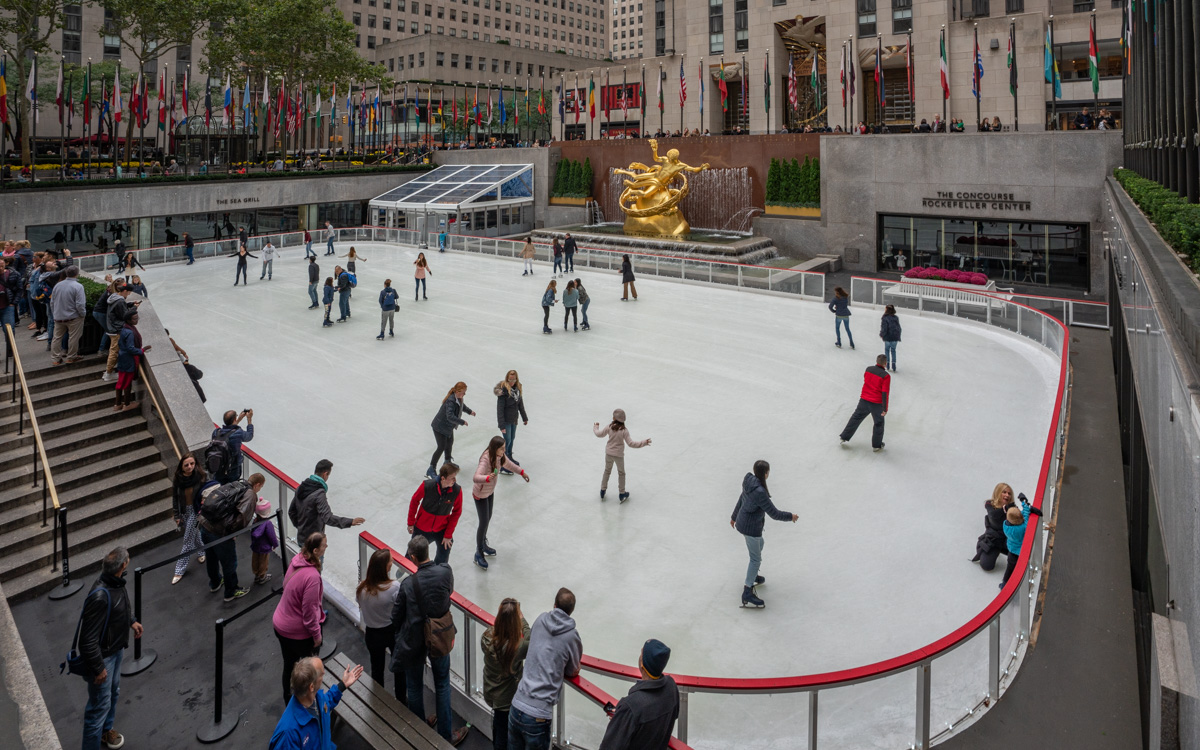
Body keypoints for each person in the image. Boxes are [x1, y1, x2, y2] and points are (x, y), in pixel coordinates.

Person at [389, 535, 470, 745]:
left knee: (414, 686)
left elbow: (395, 617)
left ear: (414, 558)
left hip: (415, 641)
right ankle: (445, 735)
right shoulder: (445, 572)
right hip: (440, 636)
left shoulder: (407, 585)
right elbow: (449, 592)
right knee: (442, 684)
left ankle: (420, 732)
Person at [78, 548, 143, 750]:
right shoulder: (100, 596)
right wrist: (98, 668)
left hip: (115, 650)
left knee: (112, 693)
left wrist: (131, 621)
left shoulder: (115, 582)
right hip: (103, 658)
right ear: (123, 565)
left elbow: (119, 607)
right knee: (98, 708)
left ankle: (106, 731)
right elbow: (87, 640)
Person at [509, 588, 583, 750]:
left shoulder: (541, 619)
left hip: (517, 704)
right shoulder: (571, 636)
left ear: (554, 605)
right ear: (571, 611)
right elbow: (572, 670)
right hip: (538, 716)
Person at [730, 460, 797, 608]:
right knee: (755, 559)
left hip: (744, 523)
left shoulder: (749, 481)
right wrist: (791, 516)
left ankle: (752, 575)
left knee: (760, 545)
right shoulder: (760, 492)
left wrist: (734, 516)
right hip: (751, 528)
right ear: (765, 474)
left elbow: (741, 498)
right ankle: (747, 591)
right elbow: (774, 513)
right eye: (768, 471)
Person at [272, 533, 329, 704]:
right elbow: (309, 612)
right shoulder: (312, 577)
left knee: (289, 664)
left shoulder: (297, 560)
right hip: (298, 633)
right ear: (316, 550)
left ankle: (288, 699)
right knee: (311, 671)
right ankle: (310, 703)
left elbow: (285, 584)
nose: (327, 547)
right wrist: (317, 636)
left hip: (280, 624)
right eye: (325, 545)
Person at [598, 639, 679, 750]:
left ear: (642, 664)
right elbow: (667, 718)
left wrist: (621, 722)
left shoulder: (631, 706)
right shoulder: (671, 686)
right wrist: (623, 722)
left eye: (641, 653)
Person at [269, 657, 363, 750]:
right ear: (311, 687)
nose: (324, 673)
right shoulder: (288, 735)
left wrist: (342, 685)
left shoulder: (316, 698)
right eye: (321, 674)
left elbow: (326, 703)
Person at [199, 473, 263, 602]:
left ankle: (215, 583)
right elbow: (242, 519)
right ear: (257, 485)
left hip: (205, 524)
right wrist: (232, 534)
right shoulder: (250, 495)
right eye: (260, 487)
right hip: (219, 533)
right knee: (229, 563)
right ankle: (231, 591)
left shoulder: (236, 483)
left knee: (211, 557)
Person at [472, 436, 530, 570]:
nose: (504, 451)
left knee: (488, 518)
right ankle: (478, 552)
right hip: (480, 494)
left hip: (489, 492)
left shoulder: (500, 456)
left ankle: (483, 544)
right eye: (502, 448)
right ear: (495, 448)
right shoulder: (486, 459)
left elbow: (509, 464)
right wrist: (486, 478)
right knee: (483, 522)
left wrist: (522, 472)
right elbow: (475, 477)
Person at [482, 598, 531, 750]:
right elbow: (531, 640)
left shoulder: (487, 637)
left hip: (492, 692)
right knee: (507, 735)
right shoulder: (518, 647)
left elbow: (498, 633)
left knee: (499, 729)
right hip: (508, 699)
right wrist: (522, 621)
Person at [356, 549, 403, 700]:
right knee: (399, 668)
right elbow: (399, 608)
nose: (392, 562)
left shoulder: (362, 589)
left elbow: (361, 606)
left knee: (377, 668)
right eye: (390, 561)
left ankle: (379, 700)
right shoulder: (394, 587)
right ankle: (401, 699)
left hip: (372, 633)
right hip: (391, 632)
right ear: (384, 567)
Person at [289, 459, 365, 549]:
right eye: (328, 475)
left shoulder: (301, 487)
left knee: (304, 562)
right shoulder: (319, 493)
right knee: (315, 563)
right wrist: (350, 522)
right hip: (314, 542)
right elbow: (328, 517)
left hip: (302, 538)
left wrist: (301, 527)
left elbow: (292, 512)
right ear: (325, 474)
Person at [408, 462, 465, 565]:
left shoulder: (457, 491)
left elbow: (457, 512)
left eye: (455, 477)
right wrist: (411, 522)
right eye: (452, 478)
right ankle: (405, 568)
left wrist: (448, 535)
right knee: (413, 553)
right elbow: (414, 501)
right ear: (443, 478)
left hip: (442, 530)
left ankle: (437, 573)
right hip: (422, 528)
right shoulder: (427, 485)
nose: (455, 480)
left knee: (444, 554)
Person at [593, 409, 651, 503]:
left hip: (608, 454)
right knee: (621, 473)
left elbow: (599, 434)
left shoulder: (609, 427)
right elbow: (631, 443)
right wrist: (643, 443)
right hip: (618, 456)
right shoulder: (624, 431)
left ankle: (602, 490)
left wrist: (596, 427)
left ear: (614, 418)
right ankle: (622, 493)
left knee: (607, 471)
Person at [170, 453, 211, 585]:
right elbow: (175, 498)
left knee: (187, 540)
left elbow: (207, 491)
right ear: (181, 466)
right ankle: (201, 551)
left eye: (192, 464)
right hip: (184, 511)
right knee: (194, 533)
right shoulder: (178, 479)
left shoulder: (201, 476)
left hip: (196, 511)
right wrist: (177, 515)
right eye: (186, 465)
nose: (190, 467)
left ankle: (179, 570)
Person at [839, 354, 892, 452]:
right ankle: (876, 445)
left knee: (856, 417)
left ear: (876, 361)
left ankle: (844, 436)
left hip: (864, 400)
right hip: (876, 403)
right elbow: (885, 393)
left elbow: (866, 381)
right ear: (885, 363)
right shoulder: (886, 376)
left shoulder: (868, 369)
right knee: (878, 424)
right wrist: (885, 408)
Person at [428, 382, 475, 478]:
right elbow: (450, 416)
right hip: (439, 427)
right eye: (463, 392)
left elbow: (462, 407)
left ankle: (447, 462)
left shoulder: (459, 398)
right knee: (441, 447)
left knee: (449, 443)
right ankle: (431, 469)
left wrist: (470, 412)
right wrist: (462, 422)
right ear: (457, 391)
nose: (464, 394)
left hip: (448, 427)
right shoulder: (450, 401)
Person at [971, 483, 1016, 572]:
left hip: (1007, 539)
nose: (1007, 495)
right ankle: (986, 547)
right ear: (998, 492)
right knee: (987, 566)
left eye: (1009, 493)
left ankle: (1004, 550)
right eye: (1004, 492)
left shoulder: (1012, 508)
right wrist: (1005, 509)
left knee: (1017, 557)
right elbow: (993, 515)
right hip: (994, 538)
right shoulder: (989, 504)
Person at [1001, 493, 1043, 588]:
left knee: (1010, 567)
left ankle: (1004, 583)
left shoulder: (1006, 526)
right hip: (1022, 552)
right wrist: (1024, 501)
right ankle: (1020, 584)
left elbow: (1009, 517)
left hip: (1011, 550)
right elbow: (1026, 512)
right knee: (1021, 569)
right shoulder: (1024, 526)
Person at [50, 264, 87, 365]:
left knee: (56, 338)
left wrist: (55, 313)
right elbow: (80, 304)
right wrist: (83, 314)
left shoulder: (58, 285)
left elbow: (52, 302)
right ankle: (71, 357)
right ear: (77, 274)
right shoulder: (78, 286)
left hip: (58, 316)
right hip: (73, 317)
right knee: (74, 337)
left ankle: (55, 359)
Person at [114, 310, 148, 411]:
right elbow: (130, 348)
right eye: (135, 319)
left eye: (137, 318)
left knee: (120, 381)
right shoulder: (130, 332)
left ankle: (117, 404)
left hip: (122, 358)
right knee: (127, 382)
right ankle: (127, 404)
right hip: (129, 360)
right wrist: (142, 350)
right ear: (129, 320)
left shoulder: (124, 329)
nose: (137, 320)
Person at [494, 370, 529, 466]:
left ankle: (509, 457)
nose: (512, 381)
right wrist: (501, 425)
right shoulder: (503, 391)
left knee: (512, 438)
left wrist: (524, 417)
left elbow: (520, 405)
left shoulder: (518, 389)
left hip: (514, 419)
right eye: (510, 379)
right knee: (507, 440)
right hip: (505, 421)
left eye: (514, 379)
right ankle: (503, 460)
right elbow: (499, 410)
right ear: (507, 379)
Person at [212, 409, 254, 484]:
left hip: (218, 467)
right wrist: (249, 419)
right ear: (234, 419)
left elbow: (229, 431)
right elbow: (249, 436)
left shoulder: (216, 432)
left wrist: (238, 420)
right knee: (232, 488)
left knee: (219, 486)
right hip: (233, 469)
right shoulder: (238, 433)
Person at [251, 497, 280, 585]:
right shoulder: (268, 524)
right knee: (264, 562)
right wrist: (275, 544)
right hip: (264, 547)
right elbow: (272, 536)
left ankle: (256, 575)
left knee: (255, 560)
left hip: (255, 546)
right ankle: (262, 576)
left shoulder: (255, 521)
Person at [880, 304, 902, 372]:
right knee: (893, 350)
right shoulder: (896, 318)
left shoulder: (885, 318)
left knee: (887, 350)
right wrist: (898, 336)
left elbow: (884, 328)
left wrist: (882, 334)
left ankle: (887, 364)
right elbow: (899, 328)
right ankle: (894, 365)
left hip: (888, 337)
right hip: (895, 337)